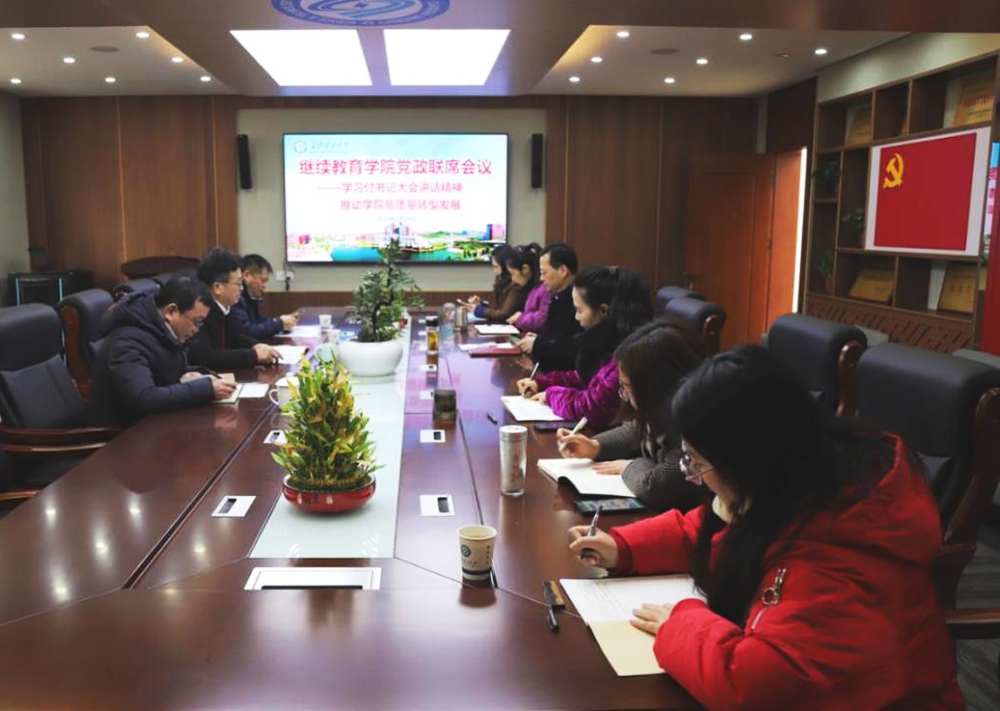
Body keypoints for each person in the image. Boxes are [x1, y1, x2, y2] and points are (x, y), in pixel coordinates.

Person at [567, 345, 964, 710]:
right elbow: (707, 531)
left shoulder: (839, 548)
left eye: (696, 462)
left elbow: (754, 687)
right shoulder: (795, 482)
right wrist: (623, 547)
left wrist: (680, 624)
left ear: (746, 458)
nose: (694, 477)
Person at [556, 319, 708, 511]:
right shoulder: (661, 411)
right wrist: (594, 446)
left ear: (658, 387)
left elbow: (656, 487)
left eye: (628, 387)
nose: (625, 396)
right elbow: (636, 429)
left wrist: (631, 466)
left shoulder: (694, 428)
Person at [517, 265, 652, 431]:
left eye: (579, 310)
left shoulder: (627, 352)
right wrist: (541, 383)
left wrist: (551, 395)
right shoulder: (606, 339)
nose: (576, 317)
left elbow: (592, 408)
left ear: (603, 310)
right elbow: (585, 377)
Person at [89, 276, 237, 426]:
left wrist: (197, 375)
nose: (196, 330)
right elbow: (144, 398)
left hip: (156, 425)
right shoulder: (128, 342)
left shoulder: (161, 331)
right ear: (171, 311)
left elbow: (163, 370)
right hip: (124, 434)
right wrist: (205, 389)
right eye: (196, 322)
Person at [187, 248, 281, 371]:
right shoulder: (200, 312)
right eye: (238, 283)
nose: (241, 288)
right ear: (217, 287)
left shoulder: (226, 308)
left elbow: (235, 337)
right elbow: (205, 356)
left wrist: (257, 345)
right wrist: (254, 355)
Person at [517, 242, 580, 372]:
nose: (541, 278)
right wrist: (539, 339)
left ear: (563, 271)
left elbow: (572, 349)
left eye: (544, 272)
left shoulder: (578, 302)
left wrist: (538, 344)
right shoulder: (557, 297)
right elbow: (556, 338)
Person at [231, 254, 299, 340]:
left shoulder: (251, 296)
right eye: (262, 280)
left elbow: (259, 321)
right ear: (247, 275)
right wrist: (279, 323)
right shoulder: (236, 297)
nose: (265, 286)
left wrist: (281, 320)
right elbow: (247, 331)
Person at [504, 243, 552, 330]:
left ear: (525, 269)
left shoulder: (545, 288)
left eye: (512, 273)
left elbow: (542, 318)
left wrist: (520, 318)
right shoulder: (534, 288)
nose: (513, 279)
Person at [461, 245, 515, 319]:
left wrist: (478, 310)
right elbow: (497, 309)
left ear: (506, 266)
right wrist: (481, 304)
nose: (494, 271)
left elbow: (504, 314)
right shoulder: (501, 281)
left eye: (496, 267)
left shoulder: (516, 285)